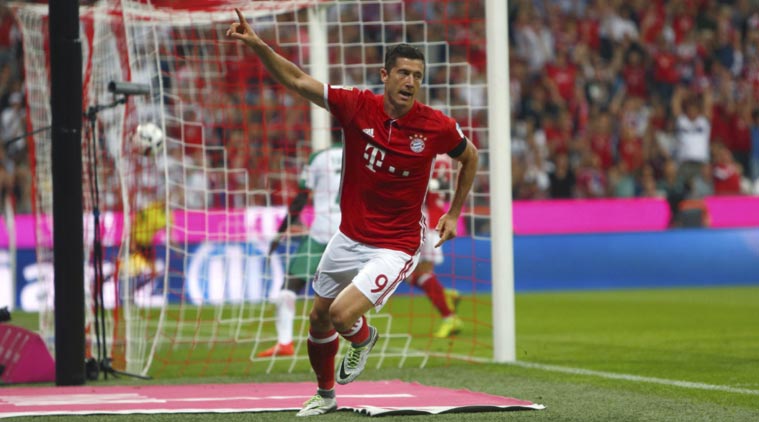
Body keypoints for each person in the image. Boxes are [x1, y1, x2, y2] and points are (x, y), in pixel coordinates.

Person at [227, 8, 478, 417]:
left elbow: (471, 157)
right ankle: (325, 395)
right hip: (348, 236)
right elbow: (297, 80)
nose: (410, 81)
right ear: (385, 75)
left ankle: (362, 338)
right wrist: (257, 45)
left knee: (342, 316)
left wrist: (454, 212)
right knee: (318, 319)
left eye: (417, 75)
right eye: (403, 73)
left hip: (395, 246)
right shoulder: (356, 106)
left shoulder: (436, 126)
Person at [258, 144, 343, 358]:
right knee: (351, 291)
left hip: (322, 231)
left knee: (289, 286)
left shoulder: (318, 158)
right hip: (350, 231)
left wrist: (280, 233)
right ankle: (358, 341)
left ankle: (285, 343)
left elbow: (301, 199)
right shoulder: (363, 152)